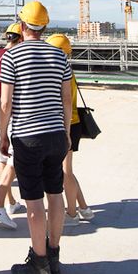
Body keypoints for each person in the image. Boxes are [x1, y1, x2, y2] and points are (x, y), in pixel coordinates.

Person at [0, 1, 73, 274]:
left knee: (33, 201)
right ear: (44, 27)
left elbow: (6, 102)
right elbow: (66, 100)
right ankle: (54, 256)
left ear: (21, 26)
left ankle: (39, 263)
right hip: (56, 134)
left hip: (28, 137)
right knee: (55, 193)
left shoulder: (11, 56)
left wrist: (4, 135)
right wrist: (65, 133)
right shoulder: (59, 55)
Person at [46, 34, 94, 225]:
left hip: (67, 125)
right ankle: (84, 208)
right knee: (67, 171)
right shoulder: (67, 70)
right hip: (71, 124)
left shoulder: (60, 73)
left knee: (66, 172)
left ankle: (72, 214)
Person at [0, 22, 26, 229]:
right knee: (15, 159)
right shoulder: (15, 58)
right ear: (20, 38)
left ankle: (10, 202)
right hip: (11, 114)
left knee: (2, 158)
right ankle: (0, 203)